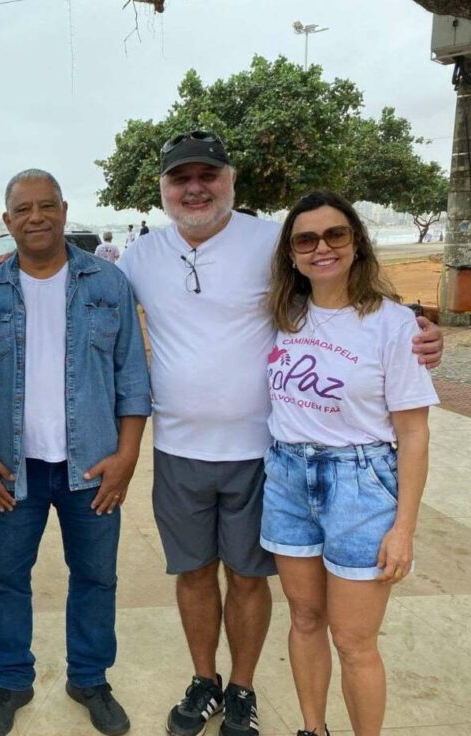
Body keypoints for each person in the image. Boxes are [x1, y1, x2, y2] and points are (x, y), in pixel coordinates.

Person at [116, 131, 443, 736]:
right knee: (192, 574)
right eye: (180, 178)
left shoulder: (274, 238)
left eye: (207, 175)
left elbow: (346, 295)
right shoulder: (140, 256)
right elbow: (84, 288)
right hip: (179, 447)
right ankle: (204, 681)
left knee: (248, 577)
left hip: (263, 453)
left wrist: (418, 333)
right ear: (162, 189)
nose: (195, 188)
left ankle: (241, 688)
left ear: (230, 179)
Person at [0, 169, 151, 736]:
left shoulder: (107, 283)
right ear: (7, 221)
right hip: (11, 469)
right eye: (23, 209)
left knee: (95, 577)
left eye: (47, 205)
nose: (36, 217)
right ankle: (10, 680)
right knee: (4, 578)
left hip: (93, 467)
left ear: (66, 211)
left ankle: (90, 678)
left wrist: (126, 456)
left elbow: (133, 376)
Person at [263, 192, 437, 736]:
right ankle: (312, 729)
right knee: (306, 618)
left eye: (335, 235)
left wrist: (403, 528)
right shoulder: (282, 315)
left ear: (356, 242)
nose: (322, 248)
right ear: (291, 253)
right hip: (288, 478)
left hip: (360, 484)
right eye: (306, 239)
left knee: (355, 641)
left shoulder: (392, 325)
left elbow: (413, 434)